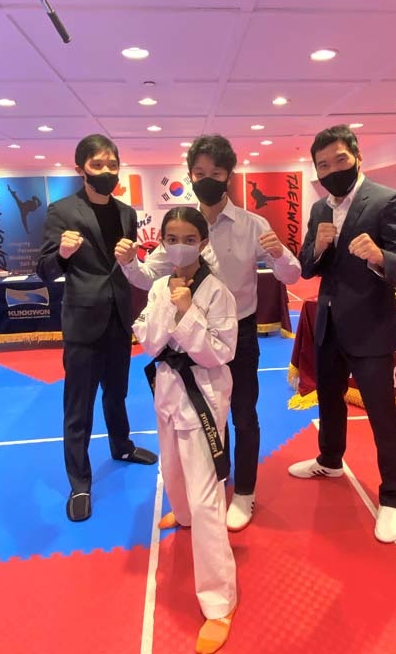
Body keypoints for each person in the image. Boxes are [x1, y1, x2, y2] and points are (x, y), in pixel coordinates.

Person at [115, 135, 301, 531]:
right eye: (199, 173)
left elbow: (291, 276)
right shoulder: (185, 224)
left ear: (229, 176)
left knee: (243, 414)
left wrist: (280, 253)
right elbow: (149, 277)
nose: (207, 180)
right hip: (188, 337)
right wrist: (129, 263)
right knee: (203, 419)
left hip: (238, 334)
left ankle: (245, 493)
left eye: (215, 173)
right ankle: (212, 489)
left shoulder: (252, 225)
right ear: (190, 176)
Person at [287, 125, 396, 543]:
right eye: (322, 165)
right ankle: (329, 460)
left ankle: (393, 497)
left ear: (358, 157)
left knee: (382, 413)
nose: (331, 170)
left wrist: (379, 256)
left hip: (371, 327)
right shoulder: (319, 209)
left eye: (339, 160)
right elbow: (307, 267)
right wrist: (318, 248)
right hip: (328, 323)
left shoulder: (386, 201)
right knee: (329, 400)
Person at [37, 134, 157, 522]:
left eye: (112, 164)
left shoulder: (126, 213)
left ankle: (121, 446)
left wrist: (132, 257)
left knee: (117, 393)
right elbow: (43, 270)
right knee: (79, 406)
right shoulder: (62, 211)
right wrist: (63, 253)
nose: (106, 171)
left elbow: (125, 266)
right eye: (98, 164)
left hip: (119, 317)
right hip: (83, 323)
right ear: (81, 169)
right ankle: (79, 482)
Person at [134, 206, 237, 654]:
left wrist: (187, 311)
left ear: (203, 242)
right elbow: (147, 340)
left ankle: (219, 603)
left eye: (189, 239)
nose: (179, 246)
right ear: (162, 242)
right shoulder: (159, 286)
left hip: (203, 396)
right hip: (167, 389)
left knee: (207, 497)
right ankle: (183, 513)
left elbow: (220, 353)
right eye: (171, 238)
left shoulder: (217, 292)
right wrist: (169, 311)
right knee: (172, 468)